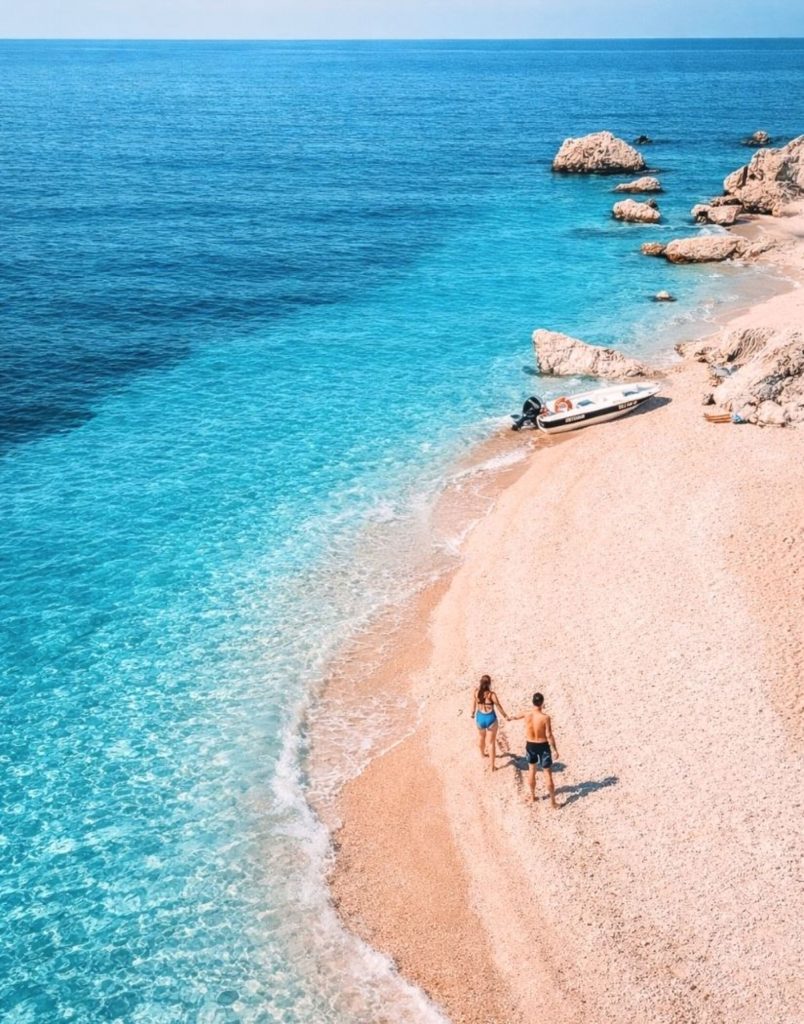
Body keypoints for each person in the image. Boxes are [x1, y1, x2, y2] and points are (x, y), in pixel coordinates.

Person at [512, 692, 560, 807]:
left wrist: (508, 717)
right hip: (543, 746)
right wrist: (555, 749)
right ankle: (553, 802)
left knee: (531, 771)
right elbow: (549, 735)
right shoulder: (545, 718)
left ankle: (533, 796)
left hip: (530, 745)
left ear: (533, 702)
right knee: (547, 773)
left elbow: (514, 717)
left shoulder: (526, 714)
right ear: (542, 703)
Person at [471, 674, 511, 772]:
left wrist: (472, 713)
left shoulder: (476, 692)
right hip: (490, 718)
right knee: (491, 743)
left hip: (480, 717)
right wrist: (506, 716)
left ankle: (482, 754)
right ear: (489, 684)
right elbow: (498, 706)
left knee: (481, 737)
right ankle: (492, 767)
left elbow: (473, 705)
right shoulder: (491, 695)